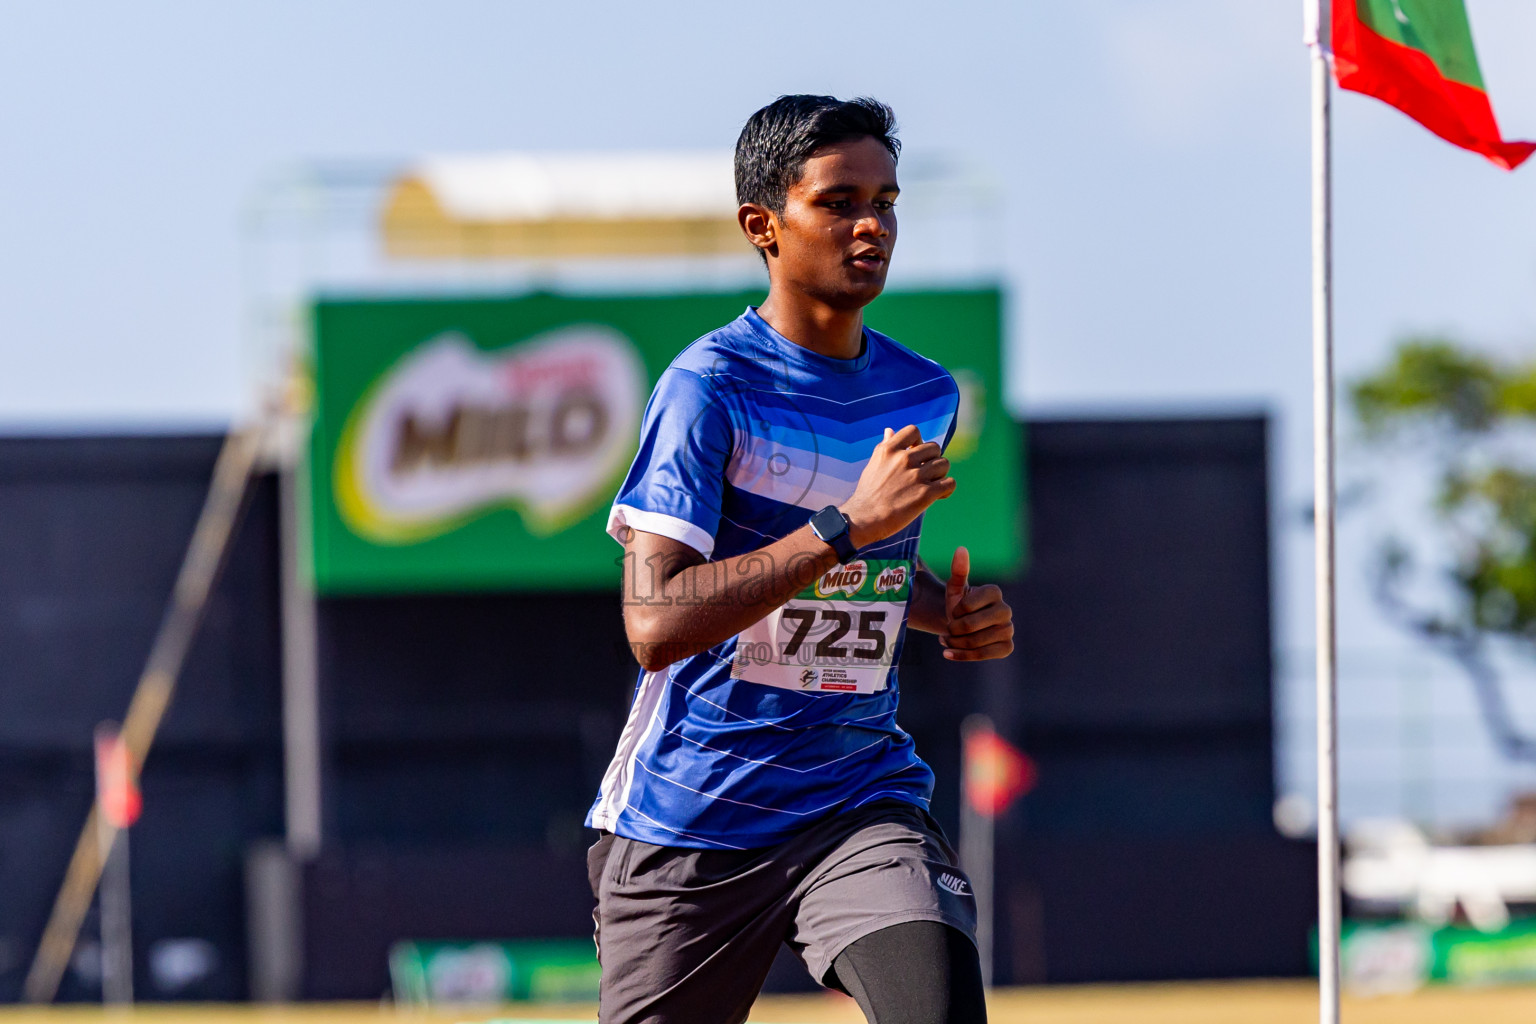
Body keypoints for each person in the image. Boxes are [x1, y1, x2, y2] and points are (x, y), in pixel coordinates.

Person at [586, 94, 1015, 1024]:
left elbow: (864, 582)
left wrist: (948, 610)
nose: (872, 225)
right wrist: (845, 525)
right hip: (691, 817)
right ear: (763, 226)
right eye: (839, 201)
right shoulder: (709, 388)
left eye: (888, 202)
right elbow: (654, 625)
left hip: (857, 795)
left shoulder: (923, 392)